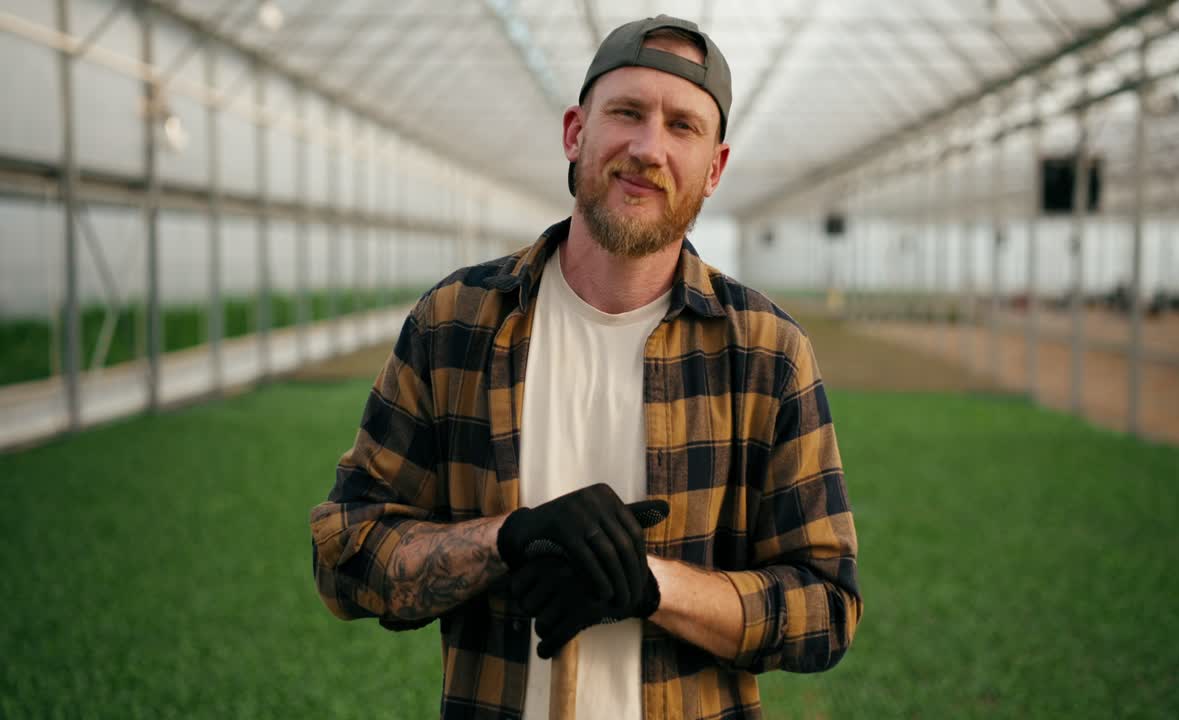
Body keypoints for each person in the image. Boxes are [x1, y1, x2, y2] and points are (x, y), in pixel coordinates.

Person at [310, 14, 861, 720]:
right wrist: (505, 538)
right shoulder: (456, 325)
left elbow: (827, 607)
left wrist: (649, 586)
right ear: (576, 131)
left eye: (682, 126)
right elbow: (345, 556)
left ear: (714, 169)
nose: (647, 147)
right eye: (627, 112)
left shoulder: (765, 353)